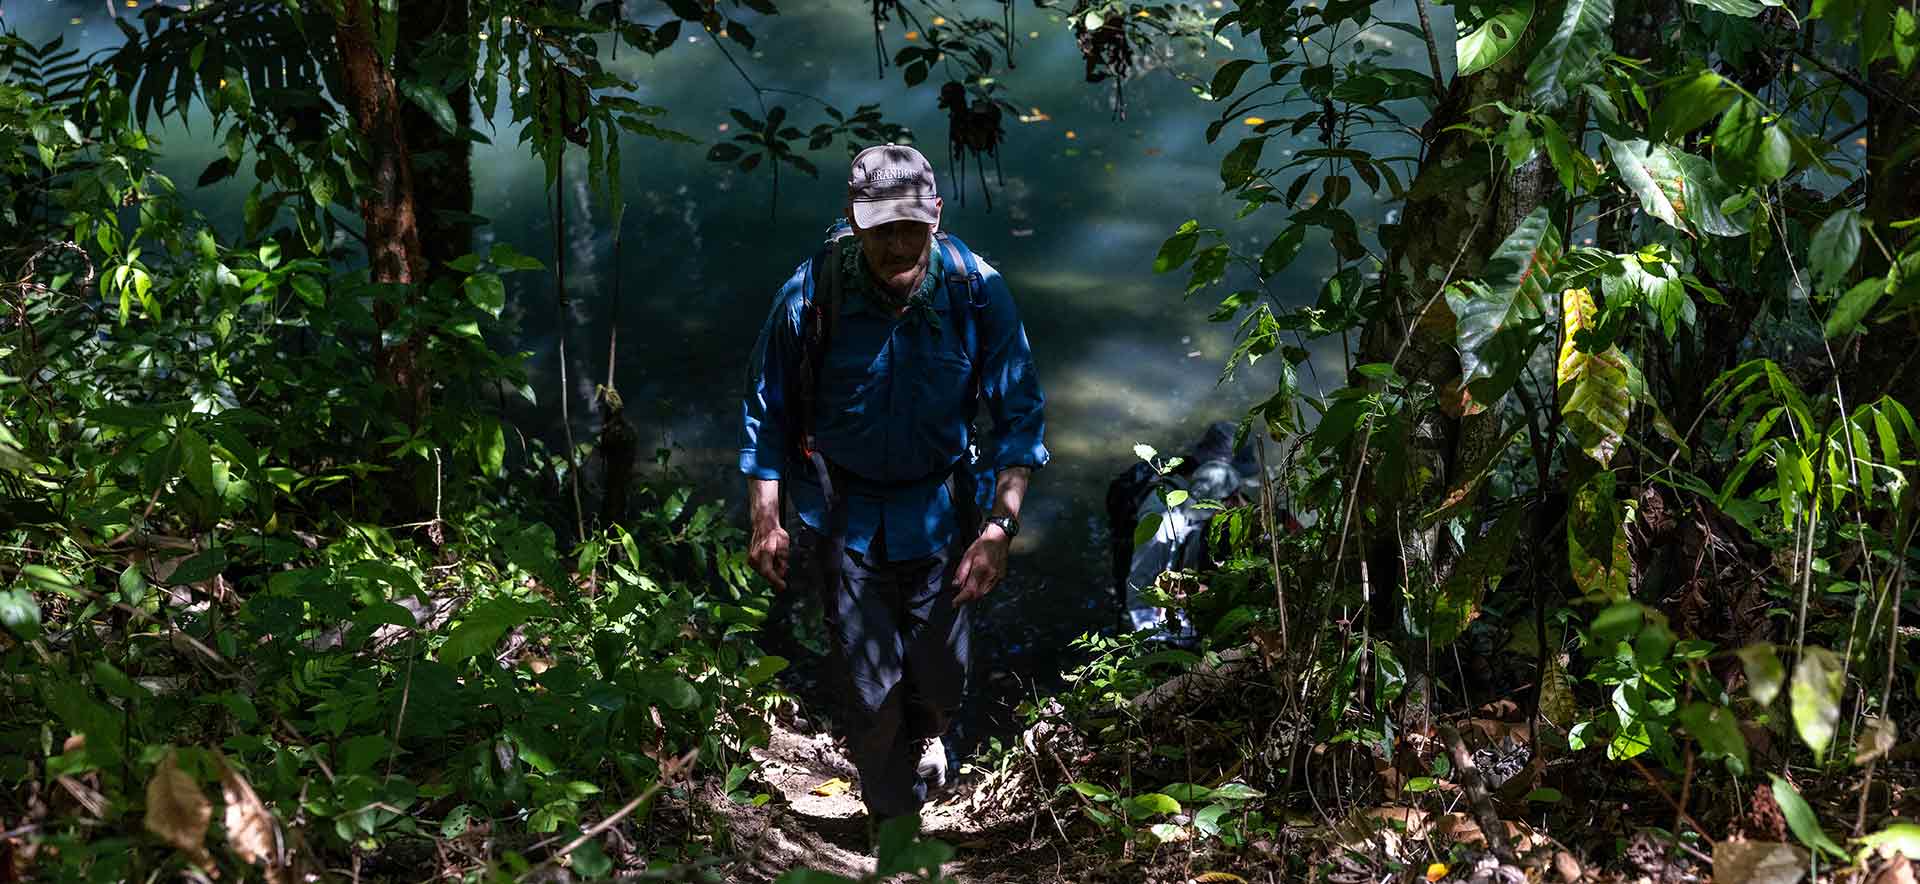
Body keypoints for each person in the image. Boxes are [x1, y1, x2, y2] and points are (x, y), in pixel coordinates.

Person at [738, 144, 1049, 828]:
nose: (899, 243)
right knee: (869, 692)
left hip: (943, 512)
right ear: (853, 219)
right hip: (841, 513)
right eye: (882, 228)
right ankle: (895, 830)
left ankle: (929, 734)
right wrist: (767, 515)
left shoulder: (976, 290)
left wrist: (1000, 528)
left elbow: (1020, 417)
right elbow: (768, 408)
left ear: (936, 215)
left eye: (912, 225)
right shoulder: (810, 293)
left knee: (941, 677)